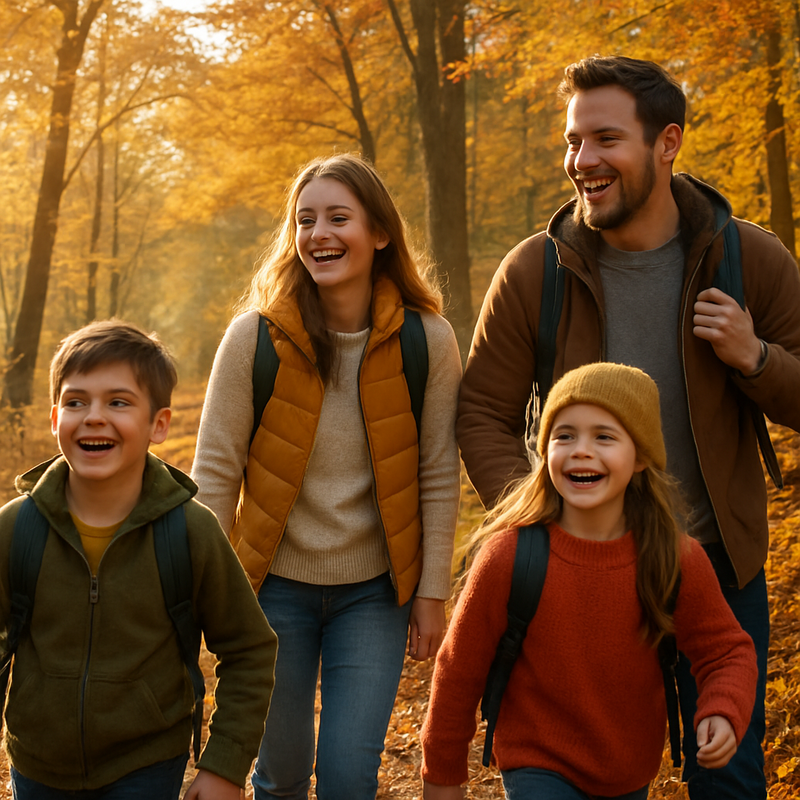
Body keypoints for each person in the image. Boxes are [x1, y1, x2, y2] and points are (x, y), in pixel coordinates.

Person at [456, 55, 800, 798]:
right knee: (596, 775)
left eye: (604, 140)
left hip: (716, 568)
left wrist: (756, 358)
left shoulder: (749, 259)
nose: (582, 162)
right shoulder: (535, 272)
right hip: (586, 576)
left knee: (732, 780)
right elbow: (482, 409)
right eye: (574, 142)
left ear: (667, 142)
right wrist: (541, 519)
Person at [191, 152, 462, 800]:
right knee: (280, 775)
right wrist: (201, 590)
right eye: (305, 220)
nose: (319, 234)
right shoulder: (253, 338)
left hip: (374, 596)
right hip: (272, 592)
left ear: (380, 233)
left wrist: (432, 591)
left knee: (347, 777)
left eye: (339, 217)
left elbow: (436, 474)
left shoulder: (428, 340)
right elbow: (215, 474)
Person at [423, 362, 757, 800]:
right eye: (564, 435)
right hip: (536, 763)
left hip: (628, 770)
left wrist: (723, 708)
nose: (581, 450)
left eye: (604, 436)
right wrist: (442, 776)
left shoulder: (673, 558)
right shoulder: (509, 557)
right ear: (545, 452)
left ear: (640, 457)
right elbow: (457, 672)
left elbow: (727, 650)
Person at [0, 320, 277, 800]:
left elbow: (249, 649)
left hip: (145, 764)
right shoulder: (16, 529)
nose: (93, 417)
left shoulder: (189, 531)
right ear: (54, 419)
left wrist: (225, 766)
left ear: (159, 425)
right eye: (75, 401)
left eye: (118, 402)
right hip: (38, 766)